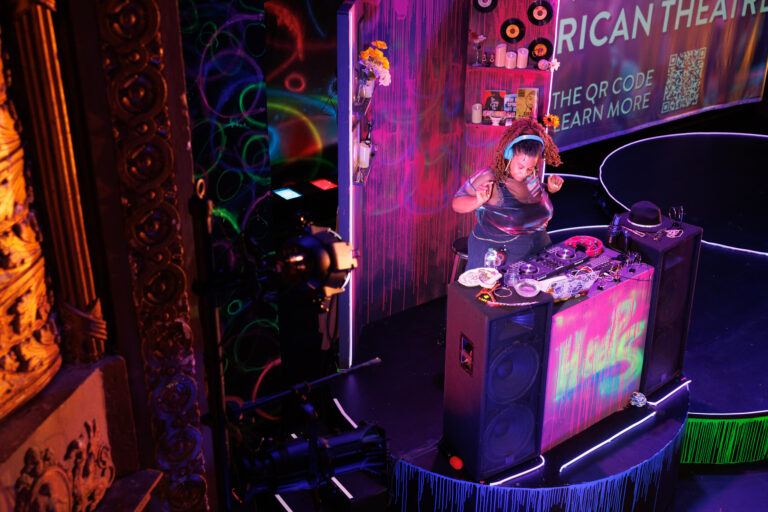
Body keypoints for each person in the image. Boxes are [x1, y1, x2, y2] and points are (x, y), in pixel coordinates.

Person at [452, 117, 564, 269]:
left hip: (536, 247)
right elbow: (457, 203)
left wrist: (549, 188)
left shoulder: (531, 175)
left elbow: (528, 200)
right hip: (499, 254)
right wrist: (477, 201)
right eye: (521, 167)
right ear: (509, 155)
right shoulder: (491, 177)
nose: (524, 173)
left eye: (530, 168)